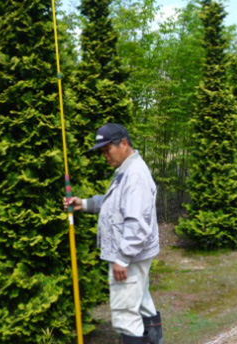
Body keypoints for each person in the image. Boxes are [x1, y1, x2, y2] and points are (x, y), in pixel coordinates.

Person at [65, 123, 163, 344]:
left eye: (107, 149)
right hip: (136, 256)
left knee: (126, 315)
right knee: (141, 303)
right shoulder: (127, 170)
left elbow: (136, 223)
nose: (105, 156)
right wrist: (85, 203)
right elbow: (116, 205)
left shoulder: (135, 175)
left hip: (130, 257)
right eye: (102, 151)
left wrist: (122, 258)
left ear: (124, 144)